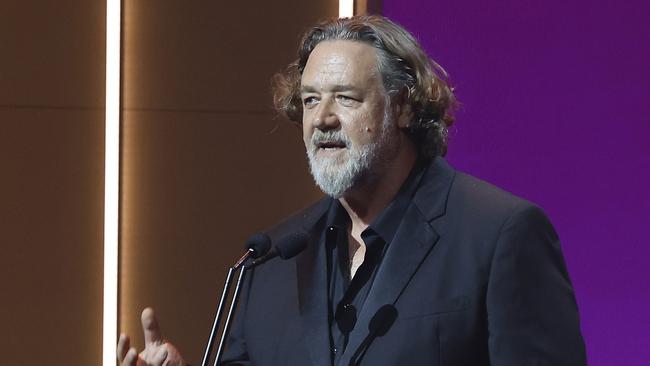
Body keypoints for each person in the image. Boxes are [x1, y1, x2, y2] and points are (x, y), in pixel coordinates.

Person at [118, 15, 586, 366]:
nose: (321, 119)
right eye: (309, 100)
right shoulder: (270, 261)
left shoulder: (499, 235)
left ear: (402, 107)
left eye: (345, 97)